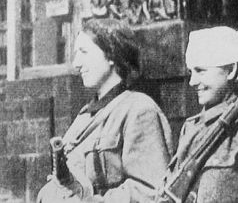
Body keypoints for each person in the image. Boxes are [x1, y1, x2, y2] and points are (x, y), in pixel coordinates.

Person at [37, 18, 174, 202]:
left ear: (111, 55)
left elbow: (149, 190)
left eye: (84, 52)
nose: (76, 63)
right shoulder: (85, 115)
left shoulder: (139, 110)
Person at [169, 26, 238, 202]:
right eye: (191, 72)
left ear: (231, 71)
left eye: (201, 71)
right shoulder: (191, 127)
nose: (192, 81)